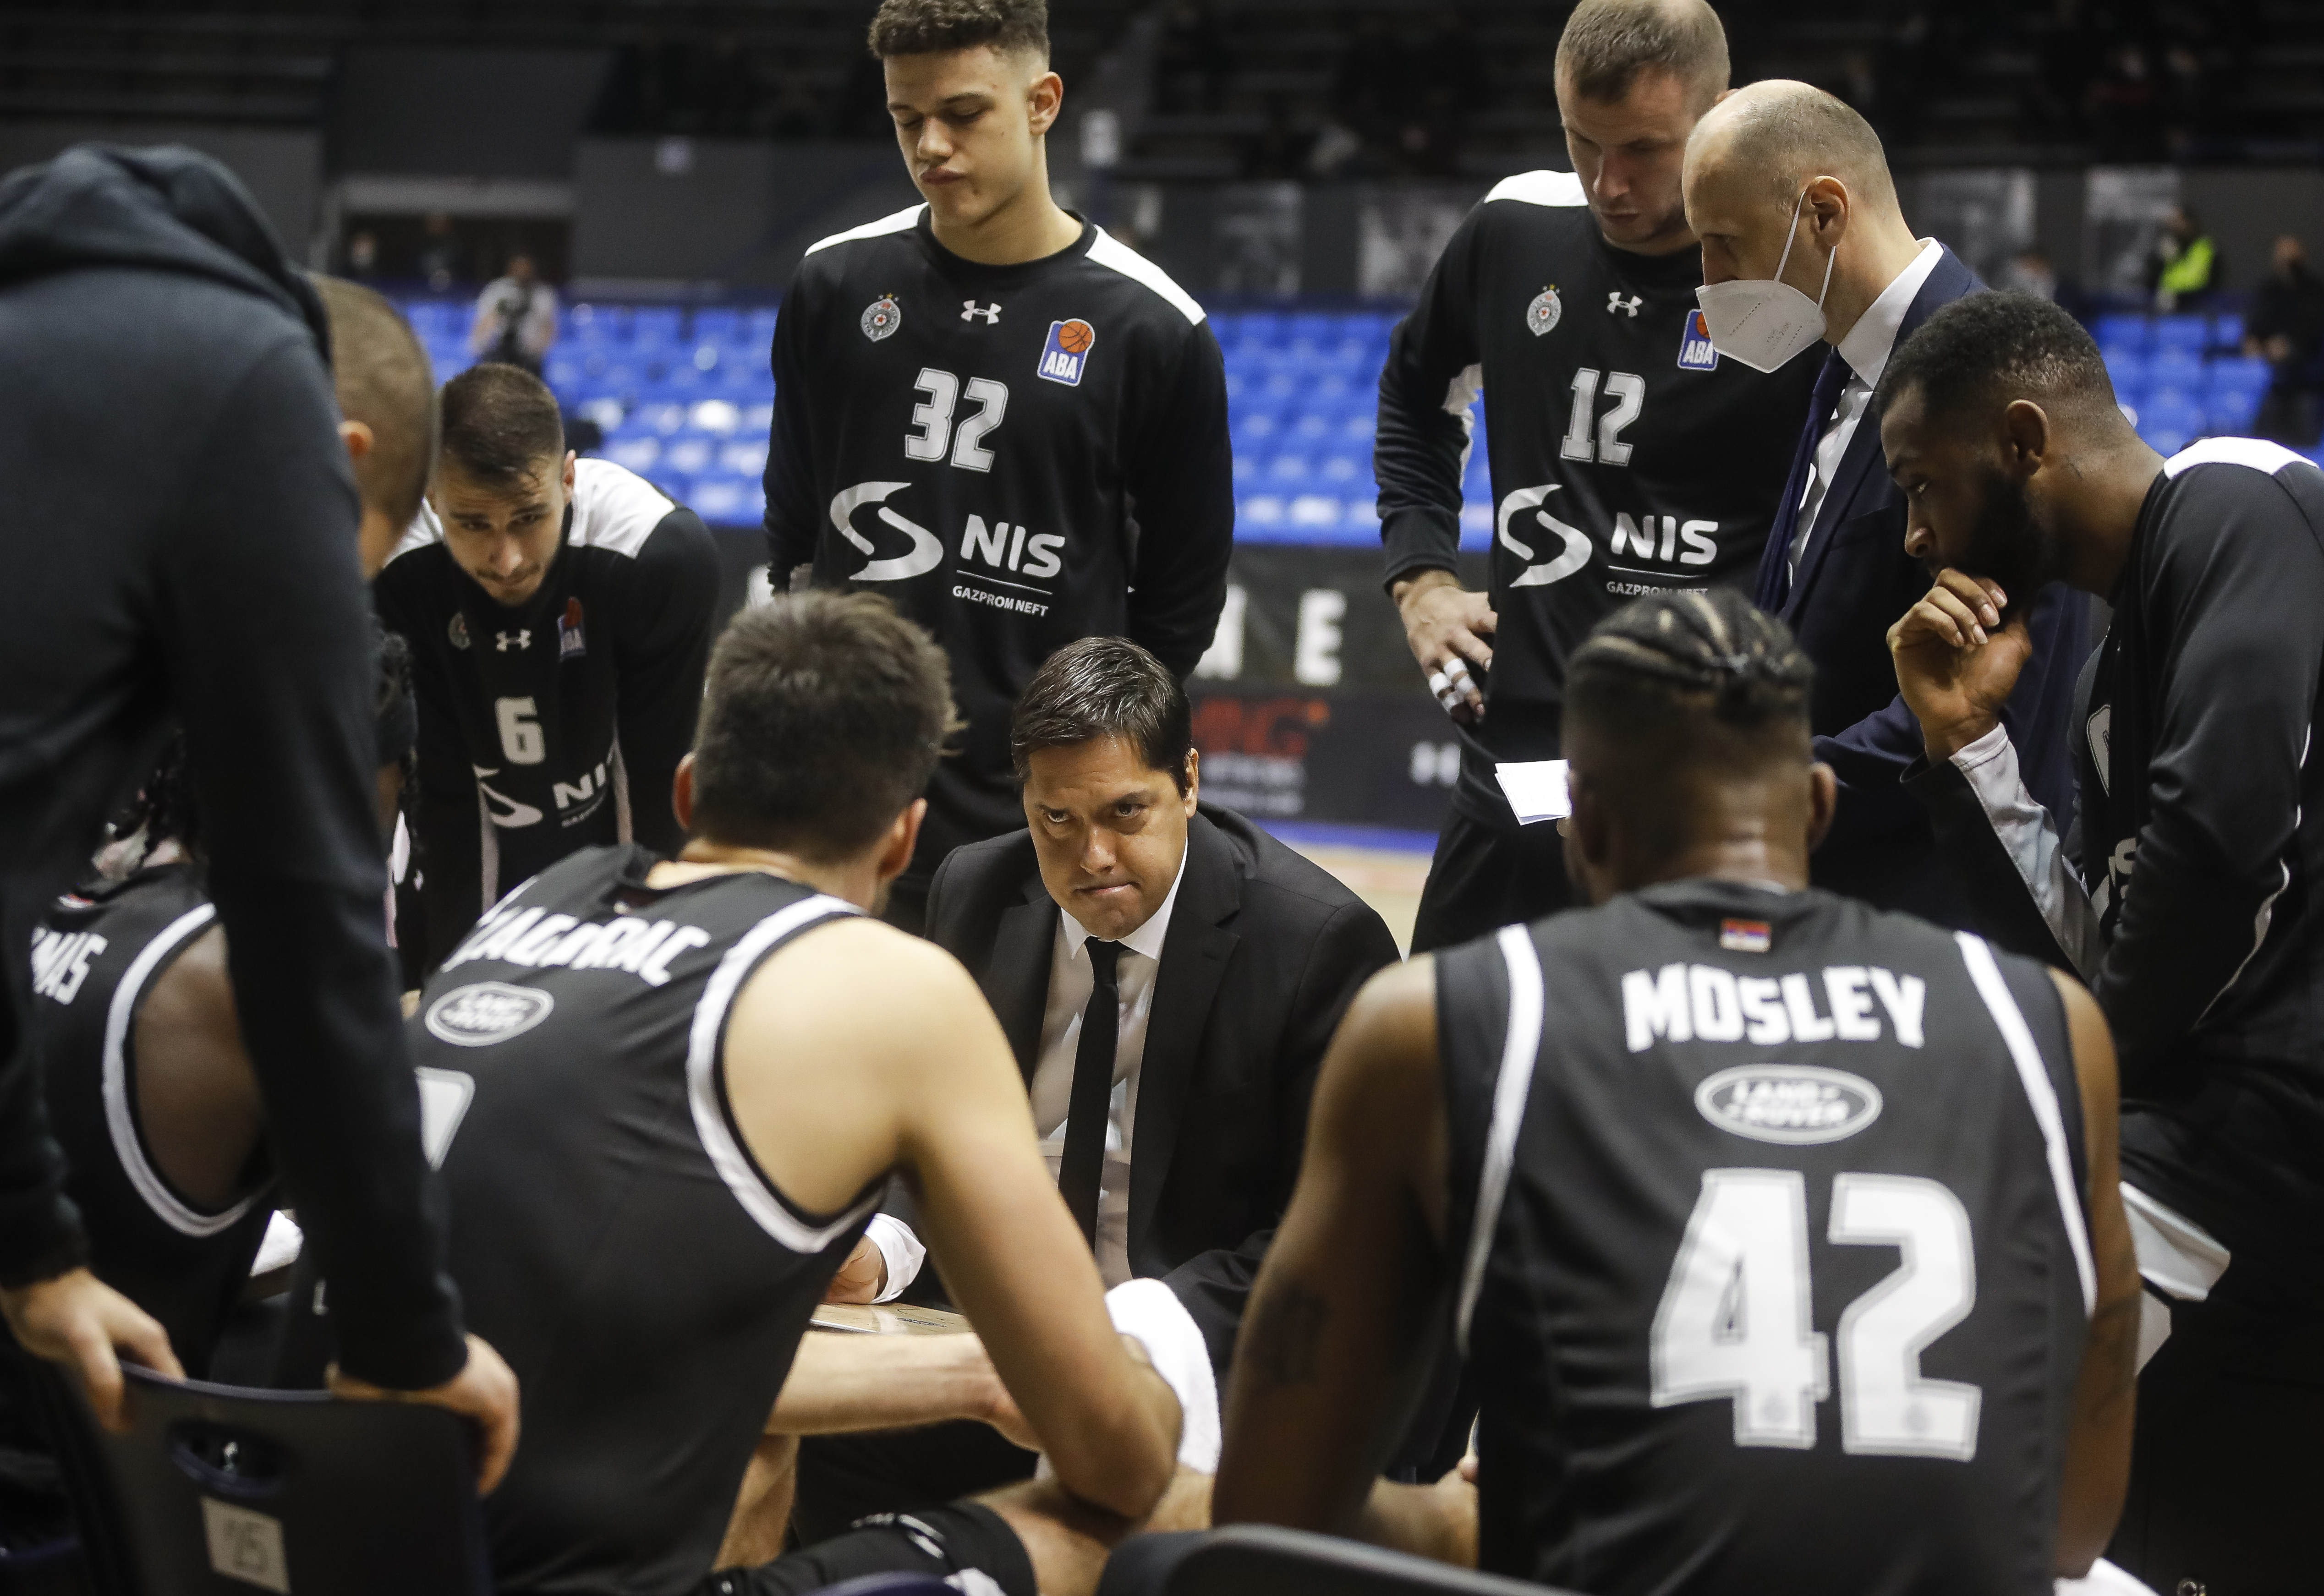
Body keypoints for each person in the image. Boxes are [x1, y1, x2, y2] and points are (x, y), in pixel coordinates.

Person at [1208, 588, 2142, 1593]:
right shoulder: (2043, 1023)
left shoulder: (1446, 1017)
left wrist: (1462, 1516)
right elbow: (2072, 1523)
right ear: (1817, 807)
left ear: (1583, 820)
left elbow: (1271, 1508)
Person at [400, 591, 1206, 1596]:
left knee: (760, 1445)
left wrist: (966, 1373)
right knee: (1165, 1507)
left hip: (316, 1523)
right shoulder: (883, 982)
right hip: (539, 1566)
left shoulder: (530, 905)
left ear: (688, 793)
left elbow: (642, 1360)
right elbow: (1114, 1451)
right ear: (904, 839)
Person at [0, 146, 510, 1459]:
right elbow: (301, 915)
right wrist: (405, 1334)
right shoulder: (252, 395)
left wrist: (37, 1254)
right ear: (333, 464)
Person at [1879, 291, 2324, 1595]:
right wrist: (1966, 748)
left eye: (1922, 486)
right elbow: (2099, 948)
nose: (1916, 536)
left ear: (2023, 437)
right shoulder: (2107, 666)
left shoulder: (2236, 500)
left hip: (2261, 1125)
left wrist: (2085, 1073)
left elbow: (2223, 835)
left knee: (1943, 1440)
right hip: (2219, 1135)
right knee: (2173, 1533)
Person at [795, 636, 1398, 1536]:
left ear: (1188, 782)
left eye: (1126, 811)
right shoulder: (976, 886)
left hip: (1179, 1364)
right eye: (1057, 820)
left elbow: (1328, 1236)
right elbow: (920, 1129)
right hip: (986, 1346)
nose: (1094, 856)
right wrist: (882, 1243)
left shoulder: (1316, 945)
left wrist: (1136, 1329)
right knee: (789, 1427)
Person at [761, 0, 1233, 935]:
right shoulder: (834, 283)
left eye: (963, 114)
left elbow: (1178, 605)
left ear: (1043, 101)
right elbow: (796, 534)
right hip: (853, 805)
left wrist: (1085, 779)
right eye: (906, 119)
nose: (931, 145)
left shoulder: (1155, 329)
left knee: (1020, 1086)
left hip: (1040, 829)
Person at [1376, 0, 1820, 955]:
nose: (1609, 183)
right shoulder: (1512, 229)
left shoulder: (1795, 285)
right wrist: (1420, 576)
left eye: (1646, 150)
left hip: (1712, 769)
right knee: (1443, 1059)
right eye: (1583, 141)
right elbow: (1415, 394)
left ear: (1720, 113)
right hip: (1521, 745)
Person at [1681, 81, 2083, 924]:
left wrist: (1745, 795)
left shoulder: (1991, 380)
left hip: (1931, 915)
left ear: (1824, 212)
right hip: (1825, 892)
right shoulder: (1837, 364)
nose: (1707, 285)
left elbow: (1971, 702)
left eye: (1723, 244)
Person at [375, 362, 721, 970]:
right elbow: (445, 793)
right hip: (471, 845)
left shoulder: (654, 551)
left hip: (610, 824)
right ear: (432, 496)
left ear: (568, 479)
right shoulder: (400, 569)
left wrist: (634, 960)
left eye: (528, 518)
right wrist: (461, 976)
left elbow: (655, 775)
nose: (506, 559)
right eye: (473, 523)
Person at [2243, 232, 2324, 447]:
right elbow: (2256, 325)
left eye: (2290, 253)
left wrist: (2290, 345)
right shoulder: (2269, 290)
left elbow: (2313, 330)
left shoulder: (2315, 292)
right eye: (2280, 253)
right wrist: (2257, 342)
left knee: (2304, 425)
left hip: (2308, 379)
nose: (2284, 258)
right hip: (2273, 378)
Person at [471, 252, 559, 376]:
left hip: (529, 355)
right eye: (518, 270)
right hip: (498, 350)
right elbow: (483, 325)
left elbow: (548, 329)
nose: (521, 274)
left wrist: (536, 349)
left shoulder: (543, 295)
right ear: (510, 271)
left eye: (525, 271)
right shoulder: (496, 291)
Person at [2149, 204, 2216, 313]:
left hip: (2198, 312)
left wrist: (2178, 297)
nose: (2174, 225)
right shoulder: (2167, 247)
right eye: (2173, 221)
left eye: (2179, 221)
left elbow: (2205, 283)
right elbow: (2153, 283)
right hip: (2166, 312)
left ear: (2191, 222)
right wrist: (2160, 260)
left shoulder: (2205, 247)